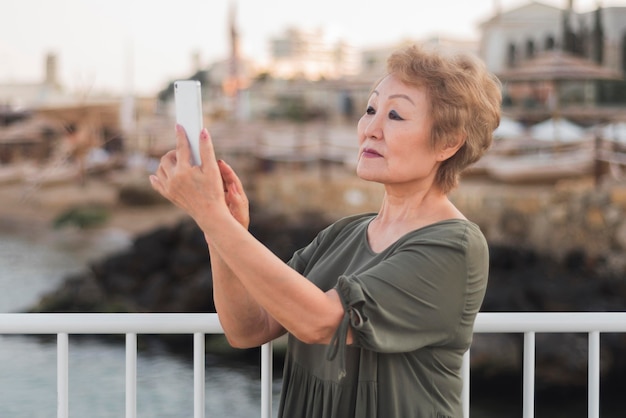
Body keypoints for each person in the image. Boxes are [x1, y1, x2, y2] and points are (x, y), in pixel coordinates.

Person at [150, 43, 502, 418]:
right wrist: (218, 227)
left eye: (395, 115)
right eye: (370, 110)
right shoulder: (343, 235)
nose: (371, 129)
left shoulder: (455, 247)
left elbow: (322, 322)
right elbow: (248, 328)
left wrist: (212, 215)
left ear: (448, 143)